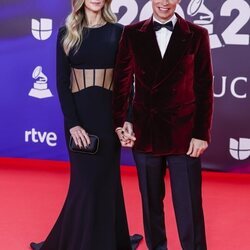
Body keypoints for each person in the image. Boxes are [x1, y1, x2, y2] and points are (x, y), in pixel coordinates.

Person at [30, 0, 142, 249]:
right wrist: (72, 123)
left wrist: (128, 119)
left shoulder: (119, 32)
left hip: (109, 118)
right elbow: (61, 82)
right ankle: (80, 241)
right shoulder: (67, 33)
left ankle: (108, 240)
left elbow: (128, 83)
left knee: (107, 181)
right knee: (86, 183)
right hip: (80, 119)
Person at [113, 0, 214, 249]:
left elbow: (204, 88)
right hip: (145, 132)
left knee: (189, 205)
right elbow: (122, 83)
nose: (164, 2)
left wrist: (201, 133)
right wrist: (121, 121)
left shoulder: (197, 35)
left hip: (185, 134)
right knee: (150, 204)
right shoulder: (132, 33)